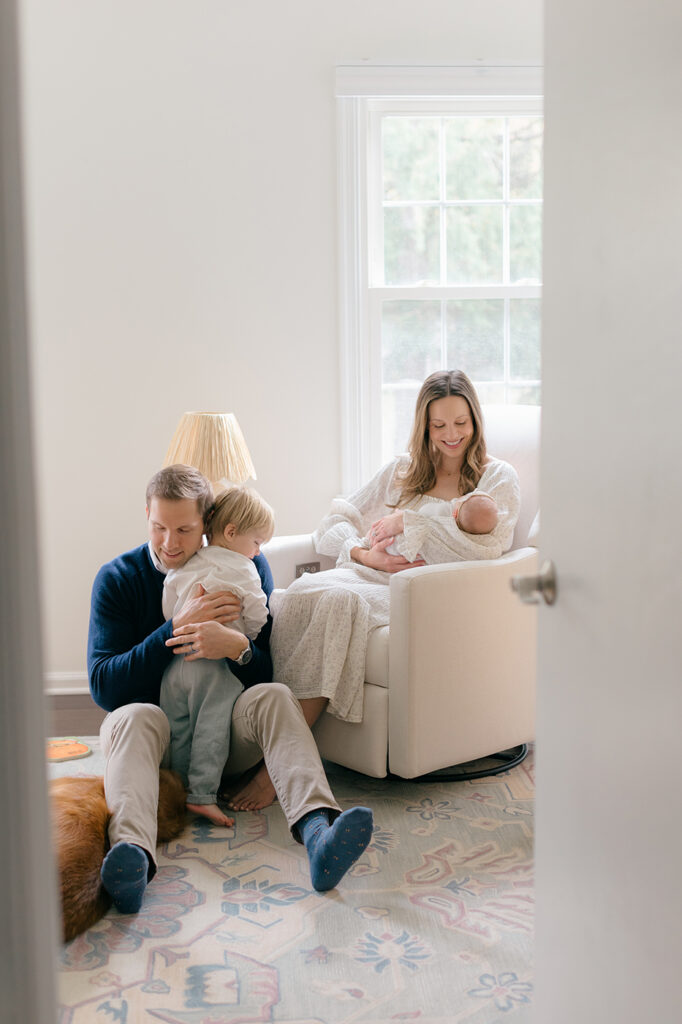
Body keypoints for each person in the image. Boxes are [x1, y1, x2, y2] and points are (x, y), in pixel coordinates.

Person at [87, 464, 373, 915]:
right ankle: (132, 858)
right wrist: (173, 631)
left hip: (223, 735)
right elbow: (104, 687)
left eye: (184, 529)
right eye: (159, 526)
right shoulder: (119, 578)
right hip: (154, 743)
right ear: (146, 514)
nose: (169, 542)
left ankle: (319, 833)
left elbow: (265, 672)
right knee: (133, 715)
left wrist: (237, 647)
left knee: (275, 696)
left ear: (209, 524)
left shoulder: (245, 563)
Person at [270, 369, 520, 730]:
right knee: (302, 591)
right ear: (424, 427)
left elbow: (487, 548)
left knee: (340, 603)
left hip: (420, 591)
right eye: (439, 426)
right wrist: (362, 553)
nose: (451, 435)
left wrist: (410, 521)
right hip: (365, 572)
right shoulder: (403, 471)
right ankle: (268, 732)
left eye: (461, 422)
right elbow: (332, 523)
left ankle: (276, 763)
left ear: (475, 420)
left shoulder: (496, 478)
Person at [160, 484, 275, 827]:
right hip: (213, 667)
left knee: (180, 729)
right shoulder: (244, 569)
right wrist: (246, 635)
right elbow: (258, 613)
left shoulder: (190, 560)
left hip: (176, 664)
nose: (257, 553)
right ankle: (202, 795)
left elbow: (169, 603)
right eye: (256, 543)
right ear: (231, 533)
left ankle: (178, 792)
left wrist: (177, 621)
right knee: (209, 729)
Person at [381, 491, 499, 558]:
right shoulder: (477, 547)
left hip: (397, 546)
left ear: (455, 512)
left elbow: (422, 514)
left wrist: (407, 517)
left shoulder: (441, 511)